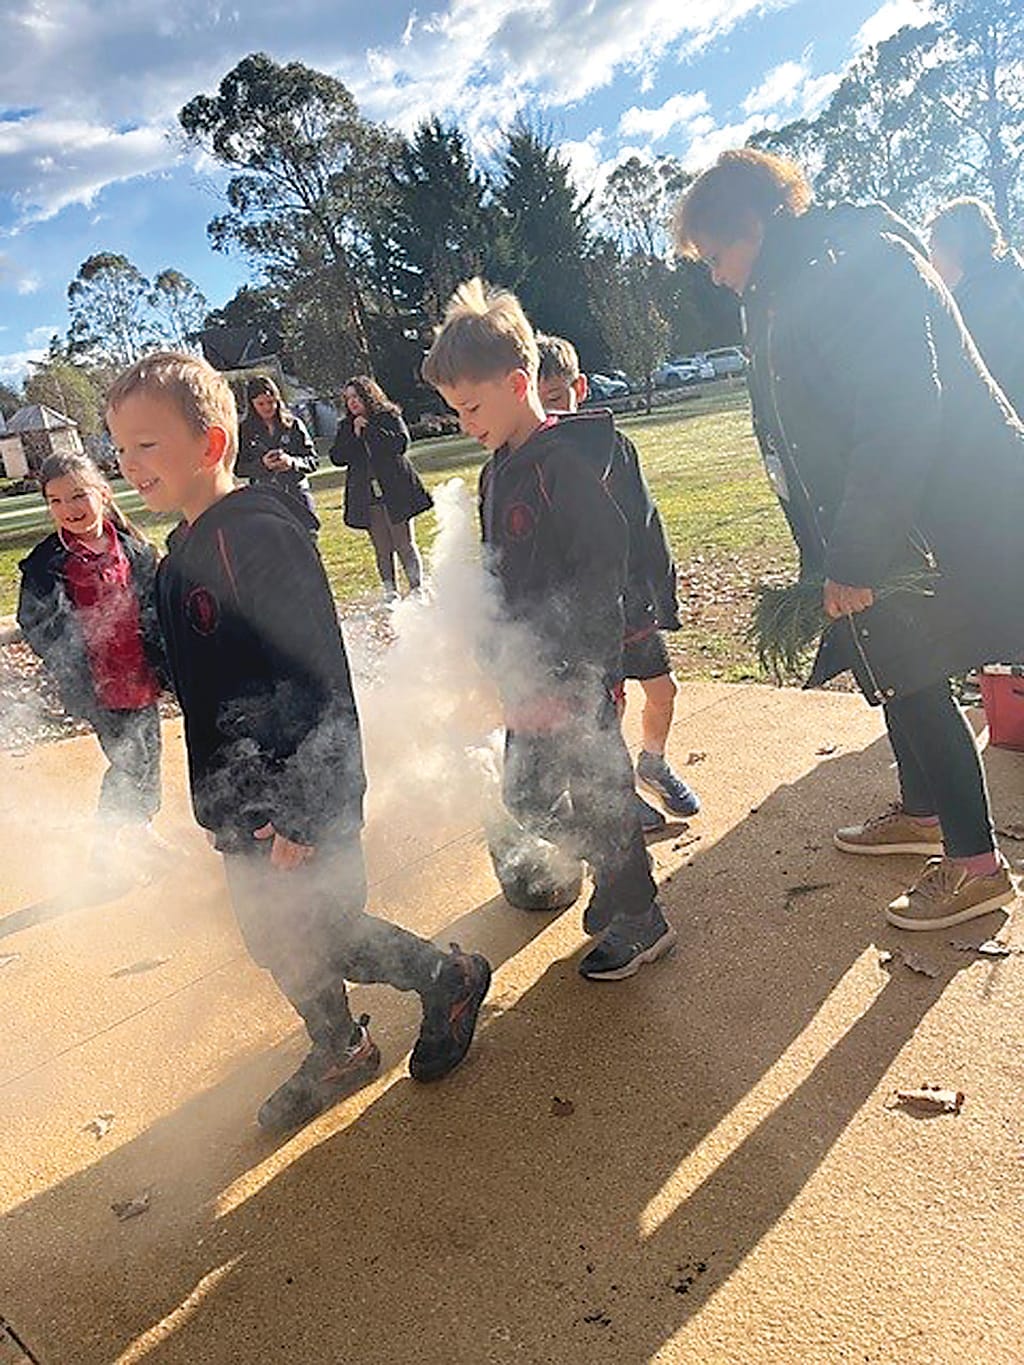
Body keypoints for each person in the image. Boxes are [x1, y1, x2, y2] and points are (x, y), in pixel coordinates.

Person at [106, 351, 490, 1136]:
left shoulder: (258, 538)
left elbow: (316, 677)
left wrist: (304, 810)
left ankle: (448, 975)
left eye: (147, 444)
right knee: (276, 939)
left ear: (212, 444)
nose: (127, 462)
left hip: (301, 796)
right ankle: (339, 1045)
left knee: (330, 931)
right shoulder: (180, 555)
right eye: (119, 446)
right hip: (240, 803)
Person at [673, 148, 1024, 932]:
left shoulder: (849, 263)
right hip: (892, 515)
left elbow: (899, 408)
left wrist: (860, 549)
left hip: (934, 513)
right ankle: (924, 811)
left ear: (754, 223)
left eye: (716, 255)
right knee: (890, 660)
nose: (715, 275)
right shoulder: (783, 286)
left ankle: (976, 866)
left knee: (917, 664)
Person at [422, 280, 674, 981]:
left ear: (517, 381)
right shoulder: (496, 469)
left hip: (577, 673)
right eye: (454, 411)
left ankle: (639, 912)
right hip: (526, 675)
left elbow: (601, 577)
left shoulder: (569, 461)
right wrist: (492, 655)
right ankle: (615, 865)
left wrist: (579, 678)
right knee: (527, 798)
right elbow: (500, 576)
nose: (465, 422)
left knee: (600, 790)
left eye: (471, 406)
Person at [535, 333, 700, 834]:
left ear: (580, 387)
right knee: (608, 707)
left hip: (629, 601)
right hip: (579, 615)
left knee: (663, 691)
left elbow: (647, 520)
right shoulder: (530, 464)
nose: (554, 414)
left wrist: (662, 590)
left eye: (560, 398)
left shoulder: (616, 447)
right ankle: (621, 795)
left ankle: (653, 762)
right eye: (542, 404)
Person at [17, 451, 168, 879]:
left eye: (78, 495)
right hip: (99, 683)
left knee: (150, 754)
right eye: (56, 501)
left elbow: (154, 603)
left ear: (102, 493)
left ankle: (141, 829)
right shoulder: (48, 563)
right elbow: (33, 621)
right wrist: (68, 658)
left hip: (142, 673)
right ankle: (105, 847)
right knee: (128, 762)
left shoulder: (133, 547)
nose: (69, 509)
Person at [329, 376, 433, 599]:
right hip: (367, 494)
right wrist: (356, 436)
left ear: (369, 395)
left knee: (404, 542)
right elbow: (338, 456)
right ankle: (390, 591)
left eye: (356, 397)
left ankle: (417, 588)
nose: (352, 402)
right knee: (382, 546)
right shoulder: (346, 426)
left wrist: (369, 431)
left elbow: (400, 444)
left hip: (395, 489)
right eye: (348, 399)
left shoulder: (388, 416)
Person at [928, 196, 1024, 418]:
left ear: (955, 246)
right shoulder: (1010, 279)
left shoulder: (979, 301)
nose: (931, 261)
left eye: (934, 248)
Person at [236, 374, 319, 517]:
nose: (267, 408)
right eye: (260, 404)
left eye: (271, 402)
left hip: (297, 492)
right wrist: (263, 464)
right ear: (252, 404)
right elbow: (238, 468)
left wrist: (292, 462)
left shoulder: (293, 424)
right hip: (265, 497)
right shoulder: (244, 431)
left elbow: (313, 461)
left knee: (308, 535)